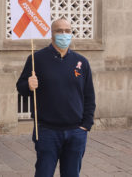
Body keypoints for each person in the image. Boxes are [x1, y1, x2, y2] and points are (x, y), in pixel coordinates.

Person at [16, 18, 96, 177]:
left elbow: (89, 96)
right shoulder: (36, 59)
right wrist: (28, 85)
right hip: (46, 131)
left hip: (76, 132)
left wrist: (86, 125)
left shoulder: (81, 62)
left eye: (67, 31)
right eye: (59, 31)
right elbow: (21, 88)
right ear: (51, 34)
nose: (64, 34)